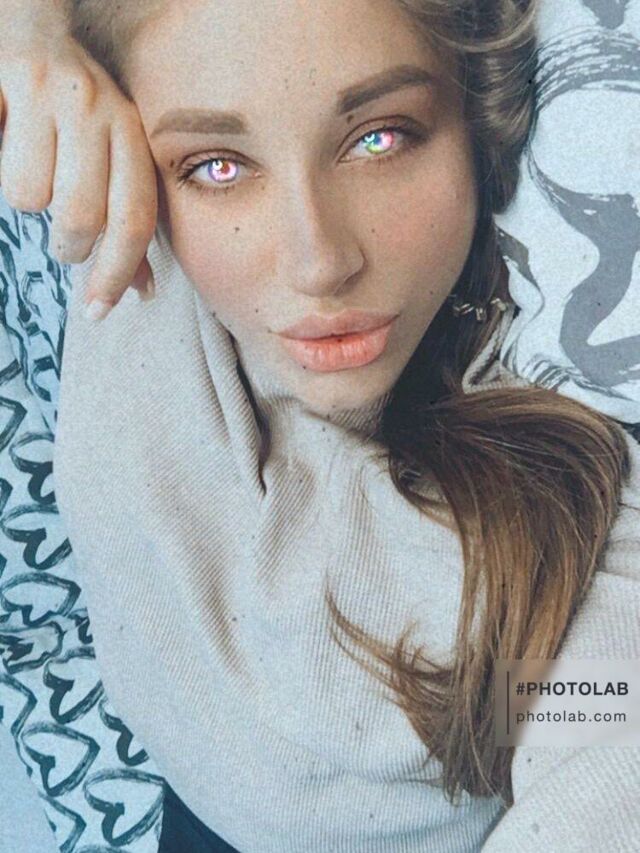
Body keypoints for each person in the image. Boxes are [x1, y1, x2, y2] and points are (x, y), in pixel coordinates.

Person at [0, 1, 638, 851]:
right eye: (219, 166)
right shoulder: (138, 250)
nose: (319, 263)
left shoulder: (577, 492)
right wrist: (28, 34)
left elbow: (609, 743)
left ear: (477, 121)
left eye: (380, 139)